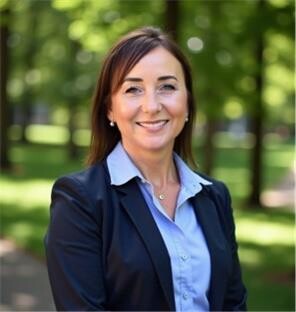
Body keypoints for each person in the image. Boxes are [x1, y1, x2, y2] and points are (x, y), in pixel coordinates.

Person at [44, 26, 247, 311]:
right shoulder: (80, 201)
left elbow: (233, 303)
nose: (151, 106)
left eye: (167, 86)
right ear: (110, 109)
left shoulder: (215, 197)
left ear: (187, 102)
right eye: (133, 89)